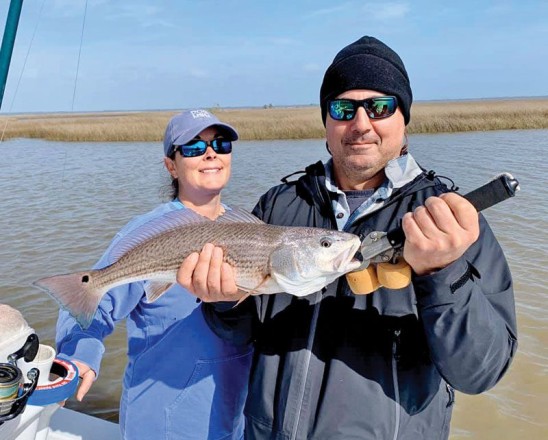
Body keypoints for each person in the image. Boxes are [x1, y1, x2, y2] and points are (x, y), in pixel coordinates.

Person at [177, 37, 518, 439]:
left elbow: (479, 372)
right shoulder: (279, 204)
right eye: (342, 108)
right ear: (326, 122)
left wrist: (443, 272)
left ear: (403, 118)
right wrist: (223, 304)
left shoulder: (449, 220)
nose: (360, 124)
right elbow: (241, 334)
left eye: (379, 107)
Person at [55, 109, 253, 440]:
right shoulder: (147, 234)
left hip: (235, 416)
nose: (210, 153)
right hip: (164, 418)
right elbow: (90, 298)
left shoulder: (250, 226)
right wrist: (79, 354)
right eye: (192, 147)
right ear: (171, 166)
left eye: (220, 144)